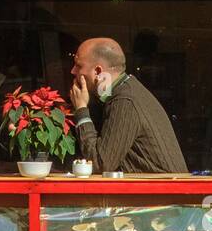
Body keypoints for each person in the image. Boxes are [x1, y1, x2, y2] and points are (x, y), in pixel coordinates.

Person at [69, 37, 187, 174]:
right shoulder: (126, 92)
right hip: (159, 191)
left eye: (78, 66)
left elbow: (100, 164)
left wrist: (81, 110)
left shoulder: (125, 101)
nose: (73, 71)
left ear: (98, 71)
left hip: (164, 193)